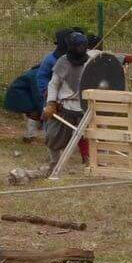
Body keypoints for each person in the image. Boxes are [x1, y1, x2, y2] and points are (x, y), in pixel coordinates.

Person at [44, 30, 95, 165]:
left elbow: (106, 57)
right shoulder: (63, 61)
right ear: (71, 47)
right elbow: (53, 84)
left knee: (91, 135)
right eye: (78, 46)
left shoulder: (90, 60)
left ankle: (92, 161)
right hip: (65, 106)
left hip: (85, 106)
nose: (81, 49)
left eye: (83, 46)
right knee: (53, 136)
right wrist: (51, 103)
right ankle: (54, 163)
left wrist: (123, 59)